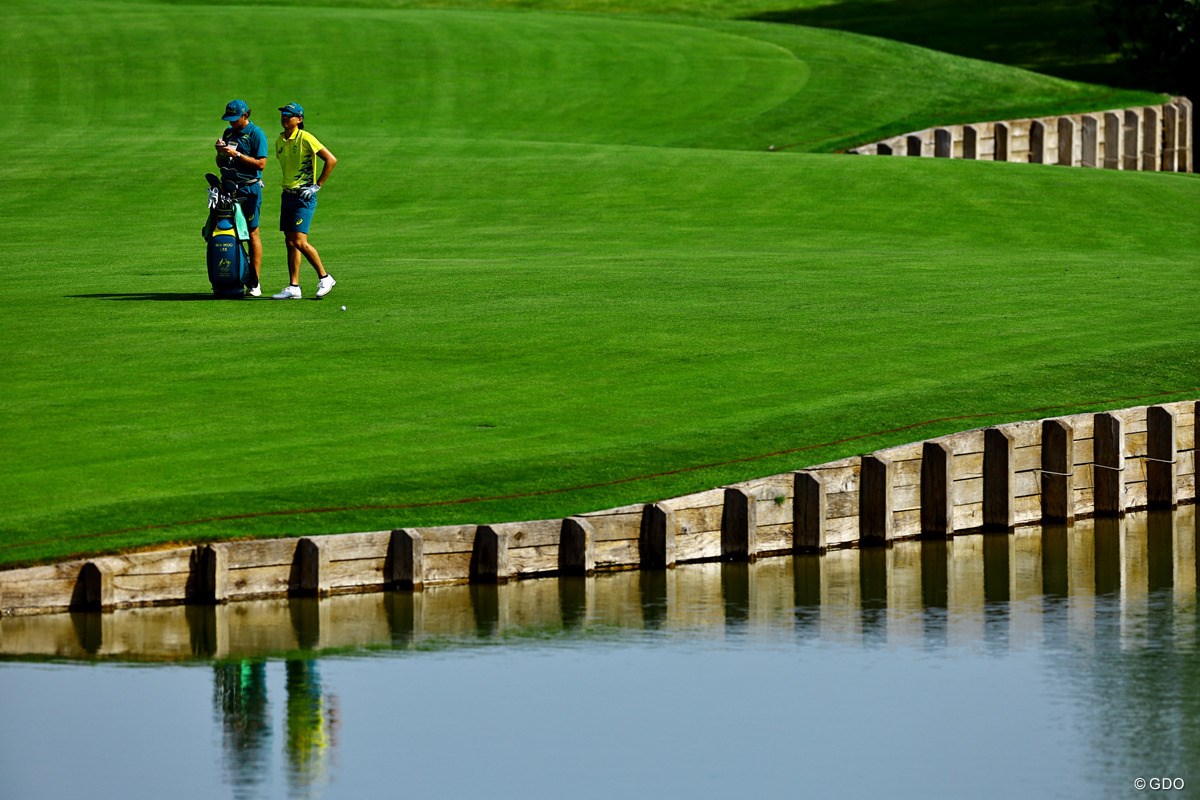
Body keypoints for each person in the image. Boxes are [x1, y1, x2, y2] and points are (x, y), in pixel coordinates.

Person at [271, 102, 338, 300]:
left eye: (289, 115)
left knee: (299, 241)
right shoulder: (280, 140)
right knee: (290, 242)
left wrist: (317, 185)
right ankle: (294, 286)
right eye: (283, 114)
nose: (284, 118)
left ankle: (325, 277)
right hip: (288, 195)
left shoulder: (305, 137)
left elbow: (331, 159)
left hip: (303, 197)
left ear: (299, 119)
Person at [214, 99, 269, 295]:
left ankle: (255, 282)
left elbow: (261, 164)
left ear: (245, 116)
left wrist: (236, 154)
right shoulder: (229, 133)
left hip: (249, 190)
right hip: (230, 189)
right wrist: (220, 152)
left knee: (252, 233)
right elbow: (221, 163)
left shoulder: (256, 134)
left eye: (235, 119)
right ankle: (235, 276)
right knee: (231, 233)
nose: (231, 123)